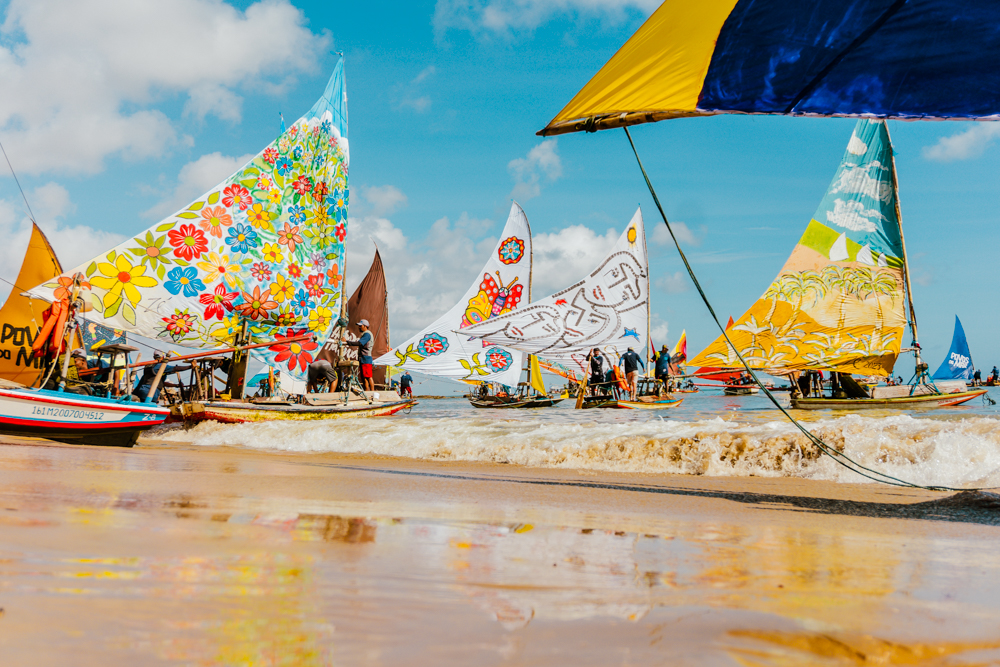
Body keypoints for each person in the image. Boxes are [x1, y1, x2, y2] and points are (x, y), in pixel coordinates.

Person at [345, 319, 375, 394]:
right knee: (364, 377)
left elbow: (360, 343)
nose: (359, 327)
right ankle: (366, 392)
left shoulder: (367, 334)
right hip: (363, 358)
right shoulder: (365, 334)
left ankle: (372, 393)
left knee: (368, 376)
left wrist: (347, 342)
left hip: (366, 358)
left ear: (365, 326)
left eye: (360, 326)